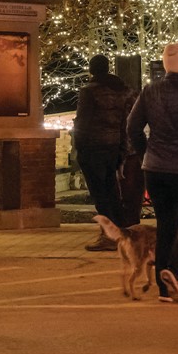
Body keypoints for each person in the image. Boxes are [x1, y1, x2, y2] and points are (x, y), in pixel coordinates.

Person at [127, 42, 178, 303]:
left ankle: (165, 290)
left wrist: (146, 153)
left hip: (154, 168)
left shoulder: (149, 91)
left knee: (166, 226)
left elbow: (133, 127)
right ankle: (172, 270)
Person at [72, 54, 133, 252]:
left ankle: (108, 236)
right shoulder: (123, 92)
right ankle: (122, 233)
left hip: (93, 148)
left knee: (100, 195)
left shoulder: (89, 91)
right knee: (113, 192)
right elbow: (125, 123)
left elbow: (82, 122)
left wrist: (78, 148)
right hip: (113, 147)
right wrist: (122, 150)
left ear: (92, 70)